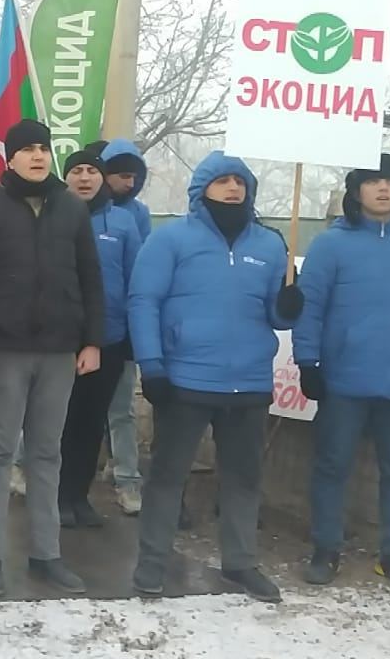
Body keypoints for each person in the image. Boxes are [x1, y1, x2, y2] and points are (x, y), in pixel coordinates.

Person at [128, 150, 303, 603]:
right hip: (185, 379)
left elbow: (277, 318)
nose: (233, 188)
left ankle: (241, 562)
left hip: (248, 382)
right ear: (201, 188)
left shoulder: (269, 245)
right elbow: (143, 301)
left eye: (240, 181)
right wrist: (152, 364)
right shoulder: (171, 241)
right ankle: (153, 560)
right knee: (169, 476)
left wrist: (288, 308)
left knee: (244, 479)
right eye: (223, 180)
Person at [0, 120, 105, 598]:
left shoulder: (71, 209)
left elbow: (90, 279)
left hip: (60, 351)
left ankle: (46, 553)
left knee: (46, 452)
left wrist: (93, 341)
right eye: (28, 149)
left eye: (44, 148)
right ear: (11, 157)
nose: (38, 156)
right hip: (3, 350)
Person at [295, 154, 390, 592]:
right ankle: (326, 548)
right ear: (356, 191)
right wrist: (308, 363)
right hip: (344, 380)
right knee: (331, 467)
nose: (383, 189)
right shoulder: (332, 245)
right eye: (373, 181)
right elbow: (310, 310)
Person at [57, 147, 141, 528]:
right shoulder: (51, 215)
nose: (85, 178)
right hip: (60, 341)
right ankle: (55, 497)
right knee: (59, 422)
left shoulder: (122, 224)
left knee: (92, 424)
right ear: (66, 178)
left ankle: (79, 495)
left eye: (92, 171)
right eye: (77, 171)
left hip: (107, 339)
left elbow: (136, 281)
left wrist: (131, 337)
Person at [100, 138, 152, 514]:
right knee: (56, 406)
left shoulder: (138, 215)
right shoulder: (74, 210)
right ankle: (25, 466)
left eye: (134, 176)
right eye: (121, 175)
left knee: (122, 410)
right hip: (75, 330)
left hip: (122, 328)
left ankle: (127, 479)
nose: (128, 183)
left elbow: (143, 272)